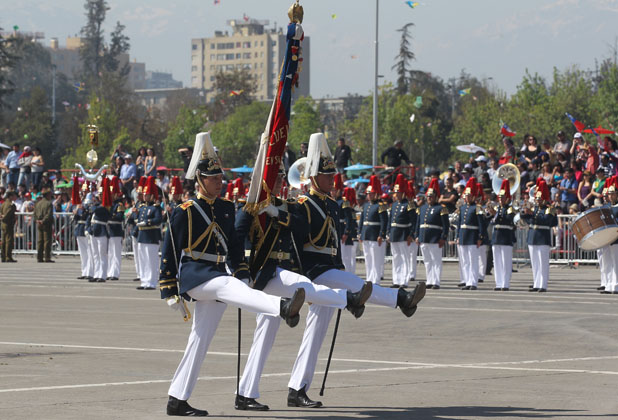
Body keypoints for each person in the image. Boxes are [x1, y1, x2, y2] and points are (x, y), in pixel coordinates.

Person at [158, 132, 306, 416]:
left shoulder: (226, 209)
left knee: (200, 339)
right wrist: (169, 290)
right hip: (196, 275)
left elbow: (235, 249)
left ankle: (177, 398)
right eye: (214, 178)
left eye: (220, 177)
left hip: (216, 273)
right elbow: (170, 251)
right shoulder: (185, 211)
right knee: (226, 285)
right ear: (200, 180)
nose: (220, 182)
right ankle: (283, 307)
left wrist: (242, 273)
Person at [284, 133, 425, 408]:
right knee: (357, 285)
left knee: (315, 334)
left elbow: (334, 246)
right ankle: (401, 300)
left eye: (332, 175)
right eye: (326, 176)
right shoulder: (301, 205)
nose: (332, 180)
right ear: (313, 178)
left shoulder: (333, 206)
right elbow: (295, 243)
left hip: (330, 267)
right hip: (312, 271)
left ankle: (296, 389)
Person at [234, 164, 371, 411]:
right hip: (264, 276)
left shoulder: (286, 206)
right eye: (275, 179)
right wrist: (242, 272)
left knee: (264, 336)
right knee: (303, 286)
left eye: (281, 179)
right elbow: (237, 237)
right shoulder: (250, 206)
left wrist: (277, 212)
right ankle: (348, 300)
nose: (279, 182)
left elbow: (303, 228)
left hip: (281, 272)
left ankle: (246, 393)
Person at [521, 179, 557, 292]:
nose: (537, 200)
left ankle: (543, 284)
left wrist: (531, 214)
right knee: (535, 263)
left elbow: (547, 220)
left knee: (542, 263)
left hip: (542, 237)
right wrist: (525, 213)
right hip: (533, 237)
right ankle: (536, 283)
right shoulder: (535, 209)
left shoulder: (548, 209)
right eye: (536, 198)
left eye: (539, 198)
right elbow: (529, 220)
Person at [415, 179, 449, 289]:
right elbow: (418, 223)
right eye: (428, 196)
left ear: (435, 197)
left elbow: (446, 225)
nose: (429, 198)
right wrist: (417, 236)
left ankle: (436, 281)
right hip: (424, 238)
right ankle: (429, 280)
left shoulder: (441, 208)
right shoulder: (422, 208)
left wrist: (443, 237)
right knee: (427, 261)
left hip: (435, 238)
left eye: (431, 196)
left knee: (436, 261)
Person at [456, 178, 486, 290]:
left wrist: (480, 237)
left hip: (473, 237)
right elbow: (459, 224)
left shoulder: (477, 208)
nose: (467, 197)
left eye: (469, 195)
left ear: (473, 197)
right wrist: (457, 236)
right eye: (466, 195)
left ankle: (473, 282)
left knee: (473, 260)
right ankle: (467, 281)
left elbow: (481, 224)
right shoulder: (462, 208)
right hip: (463, 236)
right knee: (465, 261)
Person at [387, 174, 415, 288]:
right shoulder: (394, 205)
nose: (396, 194)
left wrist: (411, 234)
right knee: (396, 257)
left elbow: (414, 221)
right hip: (394, 234)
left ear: (403, 193)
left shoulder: (408, 205)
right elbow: (390, 220)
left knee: (404, 257)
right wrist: (388, 232)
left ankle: (404, 280)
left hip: (404, 234)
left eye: (397, 192)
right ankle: (396, 280)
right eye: (395, 192)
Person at [359, 175, 388, 285]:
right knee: (368, 258)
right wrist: (360, 233)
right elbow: (362, 220)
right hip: (366, 234)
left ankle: (375, 279)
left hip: (375, 235)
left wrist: (381, 234)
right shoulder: (366, 206)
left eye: (371, 194)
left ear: (376, 194)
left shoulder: (380, 206)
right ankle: (369, 277)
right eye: (368, 194)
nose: (369, 196)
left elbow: (384, 221)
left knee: (376, 259)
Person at [488, 179, 516, 291]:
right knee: (497, 261)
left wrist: (496, 215)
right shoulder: (497, 208)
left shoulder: (509, 209)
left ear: (507, 198)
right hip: (496, 237)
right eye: (499, 197)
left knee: (505, 262)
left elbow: (508, 220)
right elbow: (490, 220)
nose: (500, 199)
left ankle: (505, 283)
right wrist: (490, 213)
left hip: (505, 237)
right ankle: (498, 283)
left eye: (502, 197)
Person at [136, 176, 162, 290]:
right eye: (144, 194)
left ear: (152, 195)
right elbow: (136, 218)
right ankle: (144, 281)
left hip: (151, 236)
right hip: (142, 236)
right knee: (143, 260)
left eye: (147, 194)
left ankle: (151, 282)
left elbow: (158, 220)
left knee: (151, 260)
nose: (145, 196)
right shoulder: (142, 207)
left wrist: (147, 222)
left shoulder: (156, 208)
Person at [88, 178, 112, 281]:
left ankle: (102, 275)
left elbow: (95, 210)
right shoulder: (98, 205)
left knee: (102, 254)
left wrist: (95, 205)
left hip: (101, 229)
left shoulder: (105, 207)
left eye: (102, 195)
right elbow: (91, 209)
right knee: (95, 254)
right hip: (94, 230)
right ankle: (96, 274)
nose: (100, 197)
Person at [72, 179, 93, 280]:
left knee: (89, 251)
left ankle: (90, 271)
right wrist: (76, 211)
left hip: (85, 226)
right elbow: (76, 217)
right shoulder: (80, 201)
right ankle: (84, 271)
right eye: (83, 191)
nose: (83, 192)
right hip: (79, 228)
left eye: (85, 191)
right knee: (82, 252)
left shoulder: (90, 201)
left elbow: (88, 214)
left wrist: (81, 209)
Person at [602, 177, 618, 294]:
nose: (610, 196)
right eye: (609, 194)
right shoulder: (607, 206)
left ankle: (616, 285)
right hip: (607, 237)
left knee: (616, 262)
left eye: (613, 194)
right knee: (607, 262)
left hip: (616, 237)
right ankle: (608, 285)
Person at [107, 177, 124, 281]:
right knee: (110, 253)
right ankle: (110, 272)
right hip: (109, 230)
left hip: (116, 230)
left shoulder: (119, 204)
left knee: (116, 253)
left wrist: (109, 216)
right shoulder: (110, 204)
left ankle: (115, 272)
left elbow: (119, 217)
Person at [340, 187, 359, 274]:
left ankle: (350, 273)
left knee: (348, 257)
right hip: (347, 234)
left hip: (350, 235)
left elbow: (351, 222)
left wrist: (348, 233)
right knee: (347, 257)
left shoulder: (348, 207)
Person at [34, 186, 54, 263]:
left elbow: (34, 214)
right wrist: (43, 220)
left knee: (40, 241)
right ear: (47, 195)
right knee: (47, 241)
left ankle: (39, 257)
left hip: (39, 223)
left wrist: (37, 220)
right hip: (46, 224)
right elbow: (49, 214)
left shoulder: (38, 203)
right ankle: (47, 257)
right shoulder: (49, 204)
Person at [406, 181, 419, 283]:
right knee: (406, 254)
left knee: (412, 255)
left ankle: (412, 273)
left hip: (412, 233)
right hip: (405, 232)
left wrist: (413, 234)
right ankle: (407, 272)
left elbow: (414, 221)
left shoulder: (413, 205)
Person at [1, 190, 17, 262]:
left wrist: (1, 217)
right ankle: (8, 256)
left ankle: (3, 256)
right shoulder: (11, 205)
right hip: (8, 224)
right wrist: (3, 217)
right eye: (13, 195)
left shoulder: (3, 204)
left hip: (3, 224)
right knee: (9, 240)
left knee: (4, 240)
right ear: (10, 196)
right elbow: (7, 214)